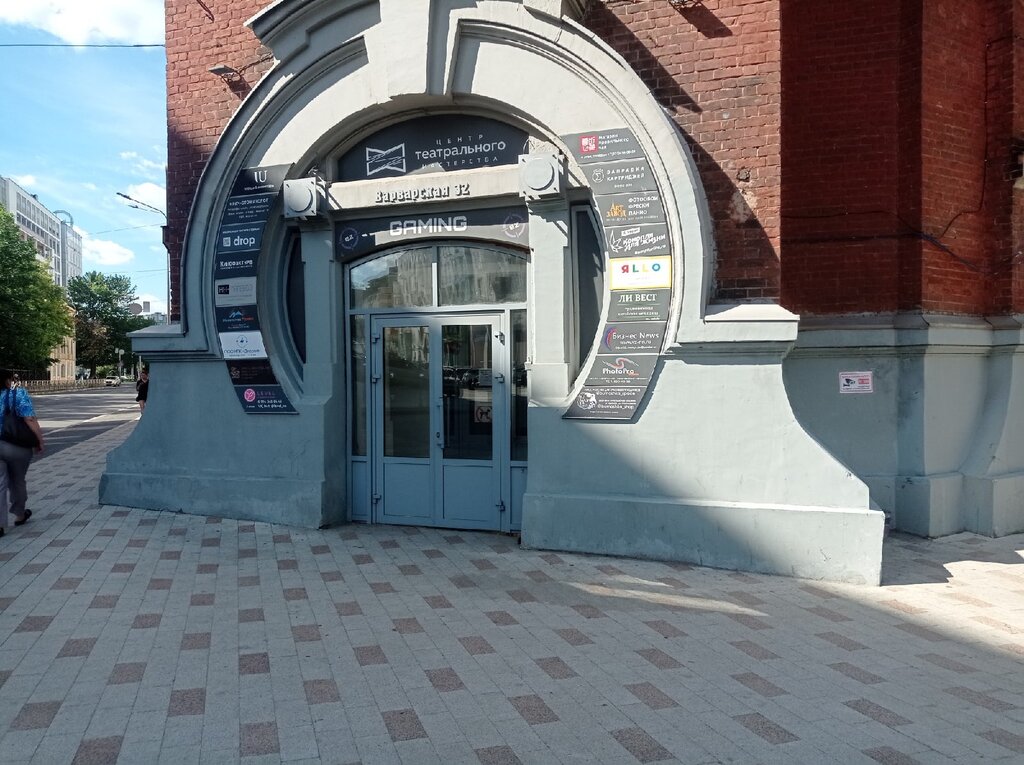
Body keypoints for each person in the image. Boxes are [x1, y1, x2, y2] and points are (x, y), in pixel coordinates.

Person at [0, 368, 43, 534]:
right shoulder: (17, 394)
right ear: (8, 380)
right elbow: (29, 418)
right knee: (18, 480)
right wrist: (39, 440)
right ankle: (19, 515)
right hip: (16, 446)